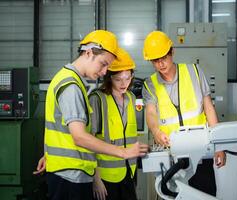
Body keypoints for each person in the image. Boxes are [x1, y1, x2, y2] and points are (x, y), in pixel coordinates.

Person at [34, 30, 148, 200]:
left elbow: (59, 128)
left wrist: (49, 154)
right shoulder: (71, 86)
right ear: (88, 53)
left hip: (70, 172)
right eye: (103, 64)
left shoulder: (71, 81)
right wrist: (123, 152)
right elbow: (79, 137)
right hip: (71, 175)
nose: (104, 72)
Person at [142, 30, 226, 196]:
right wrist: (156, 131)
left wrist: (220, 145)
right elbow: (151, 113)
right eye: (155, 61)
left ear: (172, 52)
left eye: (163, 58)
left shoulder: (194, 72)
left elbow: (209, 107)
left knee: (205, 197)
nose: (161, 64)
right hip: (172, 158)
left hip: (202, 153)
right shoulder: (150, 85)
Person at [89, 48, 138, 200]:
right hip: (106, 177)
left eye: (128, 78)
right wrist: (95, 179)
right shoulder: (97, 99)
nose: (124, 83)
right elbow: (88, 142)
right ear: (109, 77)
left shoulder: (131, 98)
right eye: (118, 79)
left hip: (129, 171)